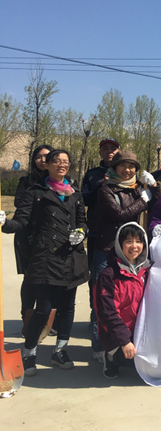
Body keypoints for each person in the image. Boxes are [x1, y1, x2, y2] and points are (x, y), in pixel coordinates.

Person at [0, 150, 89, 377]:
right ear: (47, 165)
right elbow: (22, 221)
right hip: (46, 258)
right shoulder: (36, 192)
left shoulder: (75, 194)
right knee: (43, 309)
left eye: (65, 162)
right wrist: (5, 223)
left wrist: (81, 233)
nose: (61, 165)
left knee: (67, 308)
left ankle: (60, 350)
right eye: (56, 161)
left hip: (71, 257)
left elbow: (82, 222)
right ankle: (29, 352)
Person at [92, 150, 159, 360]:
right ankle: (101, 347)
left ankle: (128, 343)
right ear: (114, 168)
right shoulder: (106, 190)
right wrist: (143, 200)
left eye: (131, 167)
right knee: (103, 299)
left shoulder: (137, 189)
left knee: (131, 300)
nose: (127, 170)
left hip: (131, 250)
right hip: (107, 248)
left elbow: (157, 205)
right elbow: (119, 215)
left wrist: (154, 188)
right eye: (123, 166)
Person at [95, 222, 151, 379]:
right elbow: (107, 313)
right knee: (133, 363)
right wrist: (124, 341)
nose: (134, 246)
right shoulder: (109, 275)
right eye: (129, 241)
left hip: (142, 330)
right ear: (120, 245)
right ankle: (111, 356)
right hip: (118, 334)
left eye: (138, 241)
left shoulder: (149, 271)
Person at [13, 144, 53, 330]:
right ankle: (28, 320)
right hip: (28, 236)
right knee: (30, 280)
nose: (43, 160)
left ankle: (48, 322)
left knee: (51, 281)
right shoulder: (26, 181)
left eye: (47, 156)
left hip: (52, 236)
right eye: (39, 157)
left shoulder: (61, 182)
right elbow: (19, 202)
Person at [81, 138, 120, 282]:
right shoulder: (92, 174)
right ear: (100, 153)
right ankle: (95, 297)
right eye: (105, 149)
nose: (109, 152)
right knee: (97, 274)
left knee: (119, 274)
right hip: (97, 230)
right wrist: (102, 185)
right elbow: (85, 199)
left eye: (113, 149)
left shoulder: (127, 172)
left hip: (120, 231)